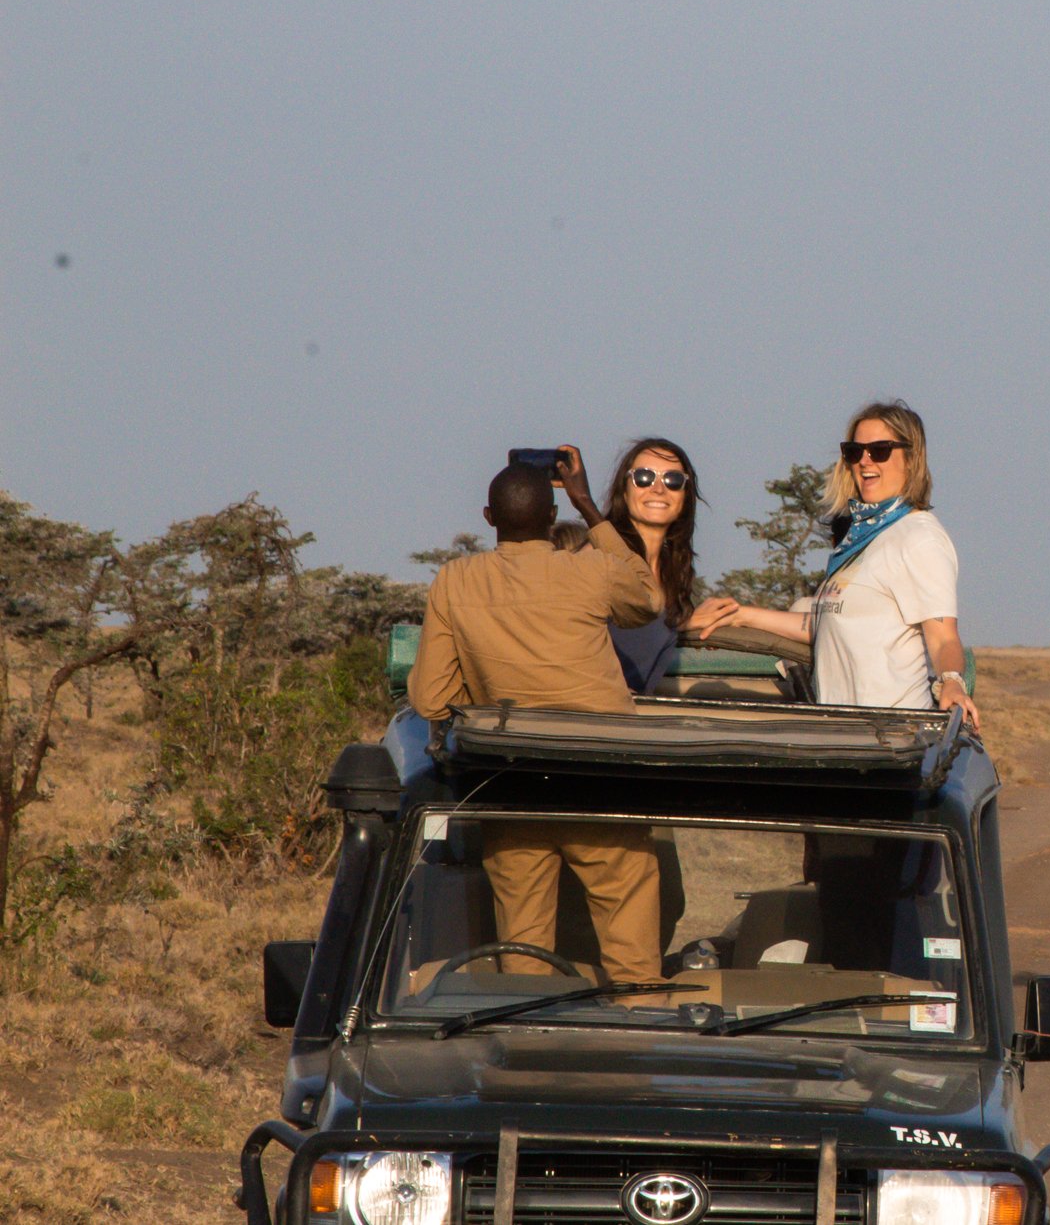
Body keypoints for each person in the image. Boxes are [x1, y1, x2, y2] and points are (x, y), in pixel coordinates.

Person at [407, 460, 667, 992]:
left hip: (513, 788)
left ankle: (528, 1051)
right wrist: (590, 510)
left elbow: (431, 697)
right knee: (635, 966)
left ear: (487, 517)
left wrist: (486, 704)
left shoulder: (456, 581)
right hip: (601, 787)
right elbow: (647, 600)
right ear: (552, 516)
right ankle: (641, 1046)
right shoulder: (589, 569)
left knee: (522, 962)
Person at [704, 401, 980, 730]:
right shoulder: (859, 538)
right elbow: (829, 622)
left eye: (879, 450)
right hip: (843, 735)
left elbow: (943, 637)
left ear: (911, 458)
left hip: (893, 736)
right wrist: (741, 615)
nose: (864, 461)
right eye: (854, 451)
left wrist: (951, 682)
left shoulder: (920, 538)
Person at [554, 439, 739, 693]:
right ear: (624, 490)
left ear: (685, 495)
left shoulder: (672, 570)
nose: (658, 489)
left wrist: (679, 623)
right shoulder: (597, 557)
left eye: (673, 480)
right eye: (644, 477)